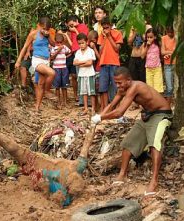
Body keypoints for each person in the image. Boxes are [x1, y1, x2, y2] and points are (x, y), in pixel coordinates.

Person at [91, 67, 172, 195]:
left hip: (161, 115)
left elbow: (119, 112)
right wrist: (98, 117)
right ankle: (122, 174)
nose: (118, 86)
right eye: (116, 83)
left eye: (120, 83)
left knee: (154, 144)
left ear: (128, 80)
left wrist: (101, 117)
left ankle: (154, 181)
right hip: (147, 115)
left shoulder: (136, 86)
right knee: (128, 143)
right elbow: (112, 105)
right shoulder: (123, 89)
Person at [15, 16, 55, 111]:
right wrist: (18, 61)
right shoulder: (33, 34)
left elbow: (53, 44)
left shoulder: (48, 35)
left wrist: (48, 35)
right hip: (37, 60)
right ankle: (47, 91)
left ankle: (37, 107)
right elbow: (25, 47)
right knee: (52, 73)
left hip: (46, 61)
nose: (45, 30)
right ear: (39, 26)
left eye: (47, 29)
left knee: (40, 84)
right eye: (43, 29)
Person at [97, 17, 123, 111]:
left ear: (111, 26)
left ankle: (118, 108)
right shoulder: (101, 35)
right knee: (103, 87)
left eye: (107, 27)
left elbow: (116, 48)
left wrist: (109, 36)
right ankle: (105, 109)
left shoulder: (117, 33)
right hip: (103, 63)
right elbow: (100, 50)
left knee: (117, 86)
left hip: (114, 63)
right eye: (104, 28)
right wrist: (104, 37)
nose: (105, 29)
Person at [66, 15, 89, 101]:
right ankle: (81, 98)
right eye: (69, 25)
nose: (71, 26)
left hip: (83, 53)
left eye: (72, 24)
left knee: (84, 74)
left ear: (76, 20)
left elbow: (84, 39)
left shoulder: (82, 26)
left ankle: (86, 98)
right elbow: (73, 44)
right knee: (78, 75)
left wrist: (75, 30)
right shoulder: (72, 30)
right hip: (76, 53)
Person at [74, 33, 97, 115]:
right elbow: (74, 62)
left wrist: (80, 63)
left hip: (90, 74)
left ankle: (93, 108)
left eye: (82, 43)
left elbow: (90, 63)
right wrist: (84, 62)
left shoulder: (90, 51)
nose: (81, 45)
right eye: (79, 43)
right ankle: (86, 108)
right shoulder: (78, 52)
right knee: (84, 92)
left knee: (92, 92)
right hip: (81, 74)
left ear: (86, 42)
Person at [50, 33, 71, 108]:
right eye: (57, 42)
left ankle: (65, 101)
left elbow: (70, 52)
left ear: (63, 42)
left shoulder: (65, 47)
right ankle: (58, 101)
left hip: (64, 68)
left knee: (64, 86)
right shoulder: (53, 48)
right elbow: (52, 57)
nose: (59, 44)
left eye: (60, 42)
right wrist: (58, 50)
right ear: (55, 42)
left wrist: (65, 56)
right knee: (57, 86)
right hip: (56, 68)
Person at [141, 28, 164, 93]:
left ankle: (157, 102)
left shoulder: (158, 44)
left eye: (151, 37)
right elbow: (142, 56)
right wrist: (147, 47)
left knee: (158, 89)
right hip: (148, 69)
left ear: (155, 37)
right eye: (147, 37)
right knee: (150, 89)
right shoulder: (144, 44)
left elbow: (161, 54)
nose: (149, 39)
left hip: (157, 68)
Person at [161, 26, 176, 104]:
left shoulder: (177, 37)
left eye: (171, 32)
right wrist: (172, 52)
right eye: (168, 32)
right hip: (168, 64)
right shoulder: (164, 38)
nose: (170, 33)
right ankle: (168, 105)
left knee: (177, 86)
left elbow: (179, 50)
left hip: (177, 64)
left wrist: (168, 52)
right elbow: (162, 52)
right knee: (169, 87)